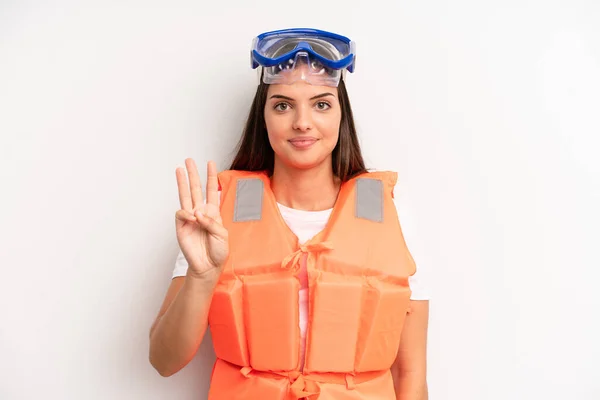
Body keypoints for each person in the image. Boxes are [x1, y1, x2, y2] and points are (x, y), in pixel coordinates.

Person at [149, 28, 430, 399]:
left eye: (321, 104)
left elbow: (410, 374)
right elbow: (164, 361)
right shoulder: (216, 213)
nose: (302, 122)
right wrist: (202, 277)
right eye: (282, 104)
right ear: (262, 117)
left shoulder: (390, 210)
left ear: (340, 115)